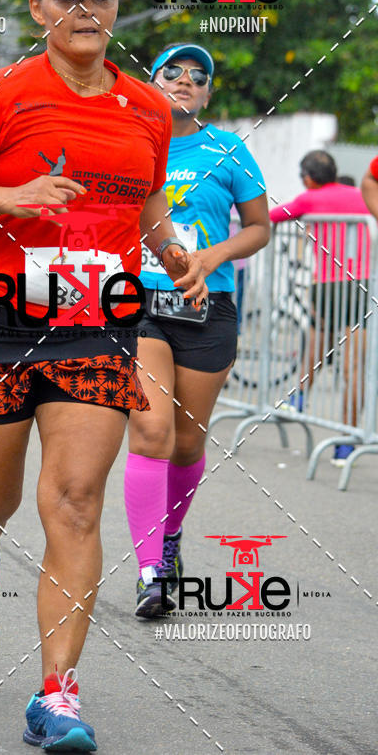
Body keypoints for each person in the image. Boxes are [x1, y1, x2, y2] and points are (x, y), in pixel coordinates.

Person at [0, 0, 206, 753]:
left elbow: (147, 206)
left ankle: (57, 697)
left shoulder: (146, 106)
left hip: (94, 323)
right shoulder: (0, 93)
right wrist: (17, 194)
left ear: (116, 8)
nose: (88, 8)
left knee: (74, 502)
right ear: (40, 8)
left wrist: (176, 254)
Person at [123, 43, 270, 618]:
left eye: (198, 76)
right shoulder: (133, 141)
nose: (184, 80)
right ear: (152, 82)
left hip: (207, 305)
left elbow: (258, 229)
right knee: (152, 431)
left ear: (208, 94)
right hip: (140, 304)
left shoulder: (226, 149)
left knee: (187, 441)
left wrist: (209, 259)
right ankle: (150, 570)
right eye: (172, 72)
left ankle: (172, 534)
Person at [270, 150, 370, 463]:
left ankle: (298, 398)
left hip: (325, 286)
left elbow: (270, 218)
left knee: (316, 349)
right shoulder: (361, 195)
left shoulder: (309, 199)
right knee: (354, 368)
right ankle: (347, 441)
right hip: (361, 285)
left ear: (309, 178)